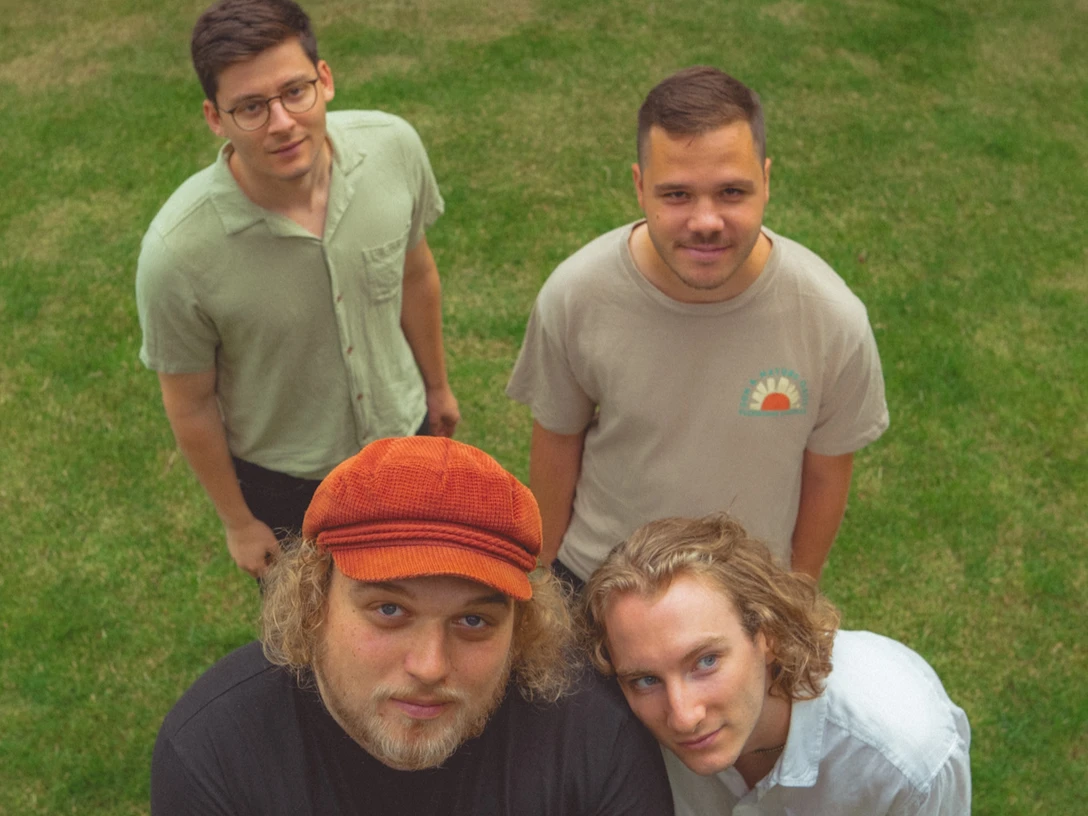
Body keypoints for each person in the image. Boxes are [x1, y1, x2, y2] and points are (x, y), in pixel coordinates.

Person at [507, 66, 888, 588]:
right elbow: (556, 439)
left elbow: (827, 472)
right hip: (600, 581)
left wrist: (799, 592)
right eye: (677, 195)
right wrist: (543, 574)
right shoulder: (576, 296)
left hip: (748, 596)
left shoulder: (831, 319)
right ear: (640, 188)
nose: (705, 221)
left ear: (767, 181)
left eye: (731, 192)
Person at [151, 436, 674, 815]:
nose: (429, 666)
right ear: (313, 603)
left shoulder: (596, 740)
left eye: (473, 620)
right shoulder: (213, 751)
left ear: (522, 627)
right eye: (389, 611)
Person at [136, 0, 459, 579]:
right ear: (215, 118)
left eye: (295, 92)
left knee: (422, 609)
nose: (282, 121)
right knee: (312, 656)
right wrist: (238, 520)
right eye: (251, 108)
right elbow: (189, 401)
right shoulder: (177, 253)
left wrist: (436, 388)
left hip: (405, 439)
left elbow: (415, 275)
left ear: (325, 80)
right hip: (286, 491)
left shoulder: (395, 149)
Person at [583, 513, 972, 815]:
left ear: (767, 634)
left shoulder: (904, 763)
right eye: (646, 679)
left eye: (705, 661)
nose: (683, 717)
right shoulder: (614, 723)